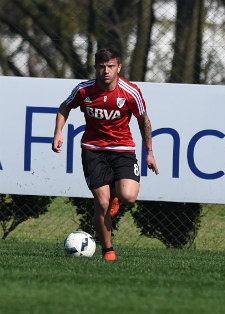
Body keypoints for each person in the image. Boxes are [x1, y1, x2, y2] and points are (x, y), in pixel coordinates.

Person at [52, 48, 159, 261]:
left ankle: (116, 195)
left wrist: (149, 152)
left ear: (118, 67)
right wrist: (58, 132)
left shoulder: (131, 92)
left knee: (129, 196)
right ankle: (107, 249)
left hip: (123, 150)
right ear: (96, 68)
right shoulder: (84, 90)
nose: (106, 71)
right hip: (93, 150)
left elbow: (143, 120)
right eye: (102, 66)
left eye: (110, 66)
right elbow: (65, 107)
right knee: (102, 204)